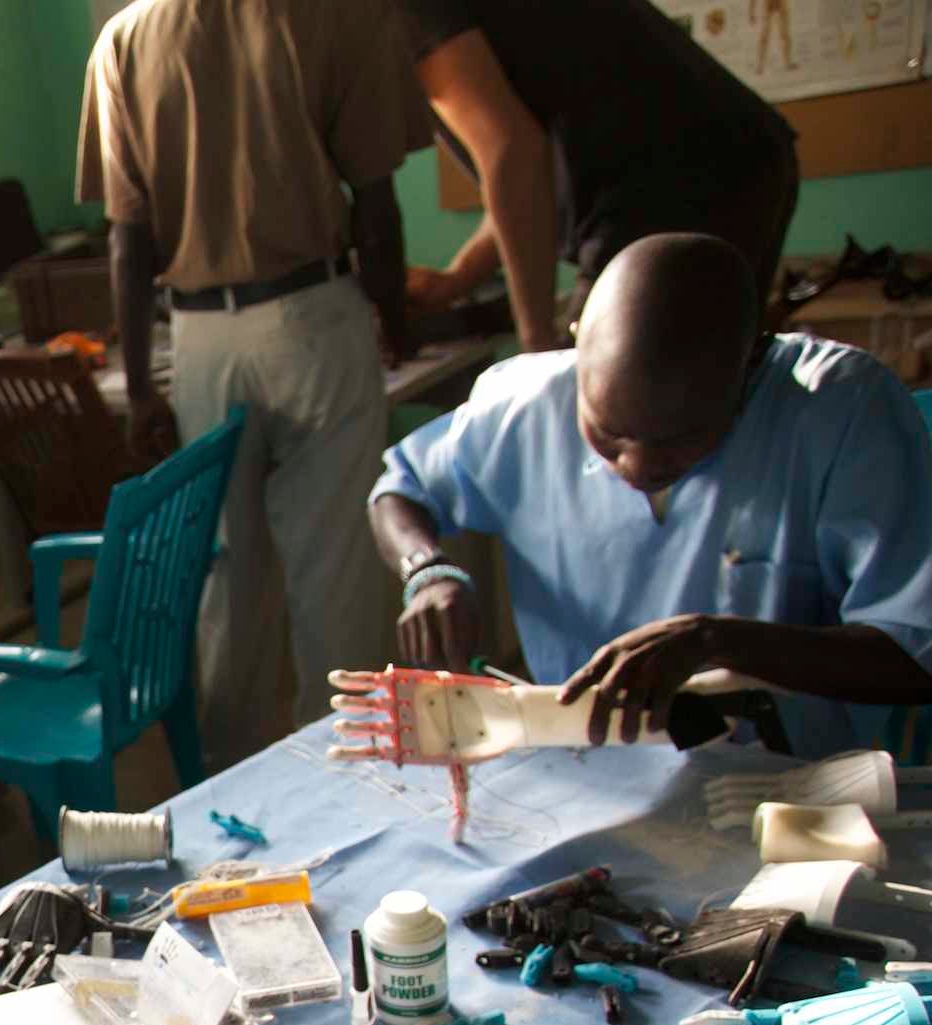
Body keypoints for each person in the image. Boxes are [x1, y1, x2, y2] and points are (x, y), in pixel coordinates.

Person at [373, 232, 932, 755]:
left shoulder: (840, 414)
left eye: (681, 440)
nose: (636, 466)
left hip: (795, 791)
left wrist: (718, 640)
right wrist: (428, 572)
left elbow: (915, 656)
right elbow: (401, 489)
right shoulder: (527, 405)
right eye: (608, 434)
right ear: (578, 356)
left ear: (749, 368)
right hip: (586, 769)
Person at [77, 0, 426, 768]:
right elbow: (374, 203)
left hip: (200, 334)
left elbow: (127, 238)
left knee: (227, 582)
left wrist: (139, 386)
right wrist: (395, 316)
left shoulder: (127, 40)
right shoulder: (339, 19)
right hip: (313, 315)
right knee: (335, 568)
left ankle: (231, 781)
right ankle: (350, 775)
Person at [397, 0, 798, 353]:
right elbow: (529, 179)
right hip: (742, 153)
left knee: (603, 406)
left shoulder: (396, 8)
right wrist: (459, 278)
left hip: (667, 180)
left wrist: (536, 347)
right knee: (705, 401)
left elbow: (512, 154)